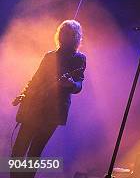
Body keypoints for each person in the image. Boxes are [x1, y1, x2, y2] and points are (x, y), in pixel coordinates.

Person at [11, 19, 87, 178]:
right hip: (34, 107)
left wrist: (71, 84)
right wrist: (24, 94)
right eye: (63, 33)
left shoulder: (79, 58)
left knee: (34, 152)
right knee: (18, 150)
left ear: (76, 37)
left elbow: (79, 84)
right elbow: (36, 79)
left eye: (69, 34)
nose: (64, 36)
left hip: (54, 113)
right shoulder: (49, 56)